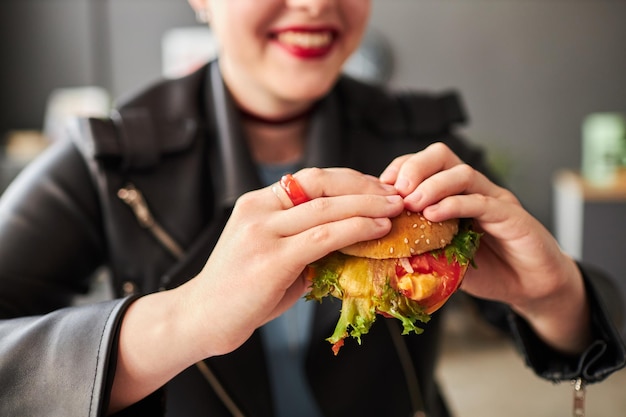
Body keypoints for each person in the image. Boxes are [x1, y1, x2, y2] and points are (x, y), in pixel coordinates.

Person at [1, 1, 625, 416]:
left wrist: (552, 297)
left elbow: (568, 334)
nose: (315, 2)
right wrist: (184, 319)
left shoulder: (425, 139)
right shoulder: (104, 157)